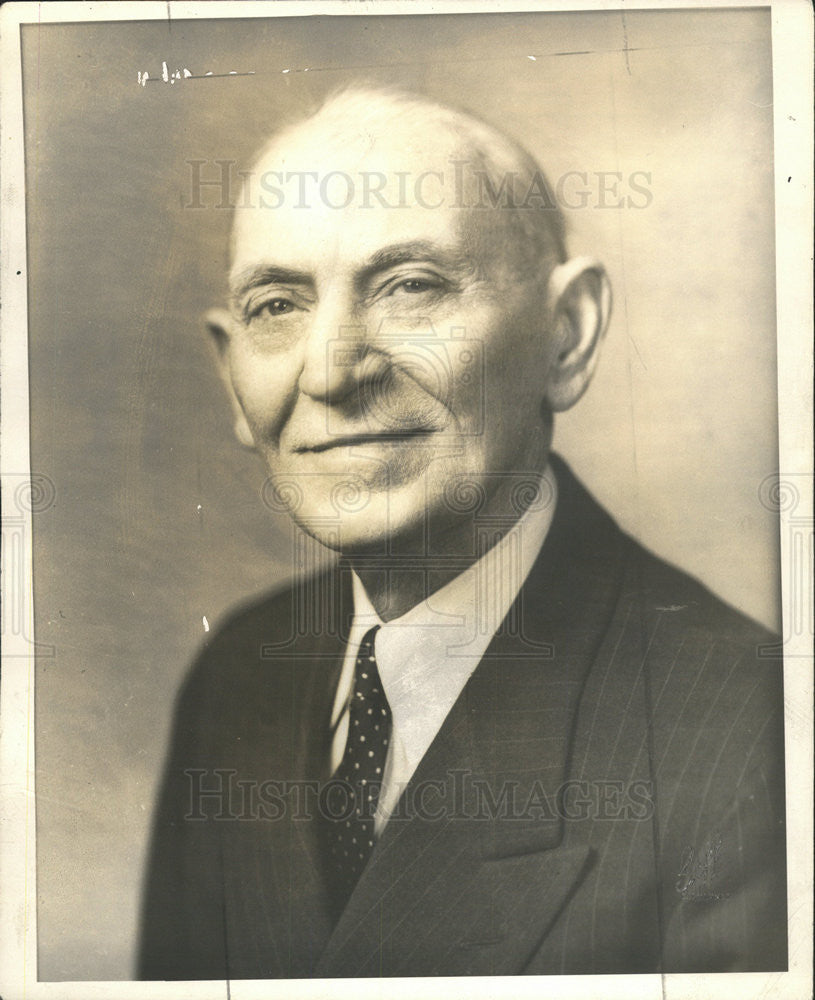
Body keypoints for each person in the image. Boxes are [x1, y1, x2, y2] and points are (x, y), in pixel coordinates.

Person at [138, 86, 787, 979]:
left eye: (411, 286)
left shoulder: (755, 738)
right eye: (278, 305)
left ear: (566, 336)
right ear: (231, 375)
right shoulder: (237, 676)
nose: (330, 371)